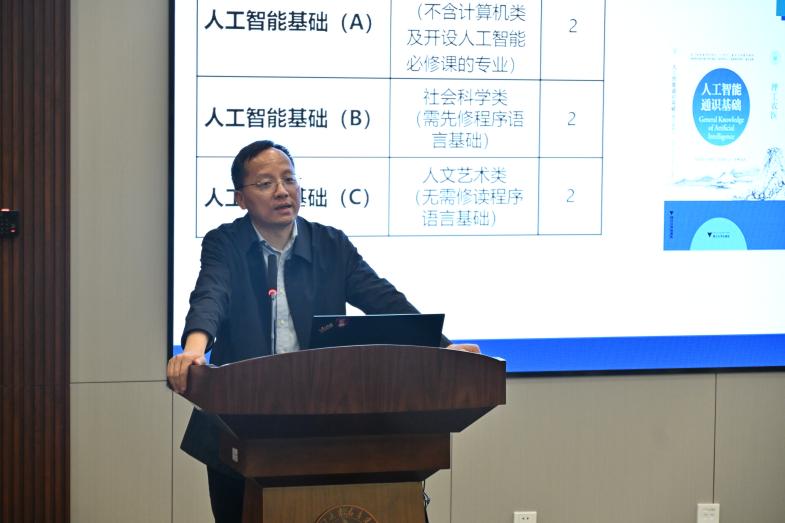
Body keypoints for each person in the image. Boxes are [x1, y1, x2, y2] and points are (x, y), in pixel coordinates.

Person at [167, 140, 479, 522]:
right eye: (265, 183)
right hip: (241, 422)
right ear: (240, 198)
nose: (282, 191)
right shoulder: (225, 243)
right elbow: (210, 296)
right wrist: (194, 351)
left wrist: (442, 349)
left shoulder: (331, 245)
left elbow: (384, 301)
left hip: (324, 421)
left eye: (289, 179)